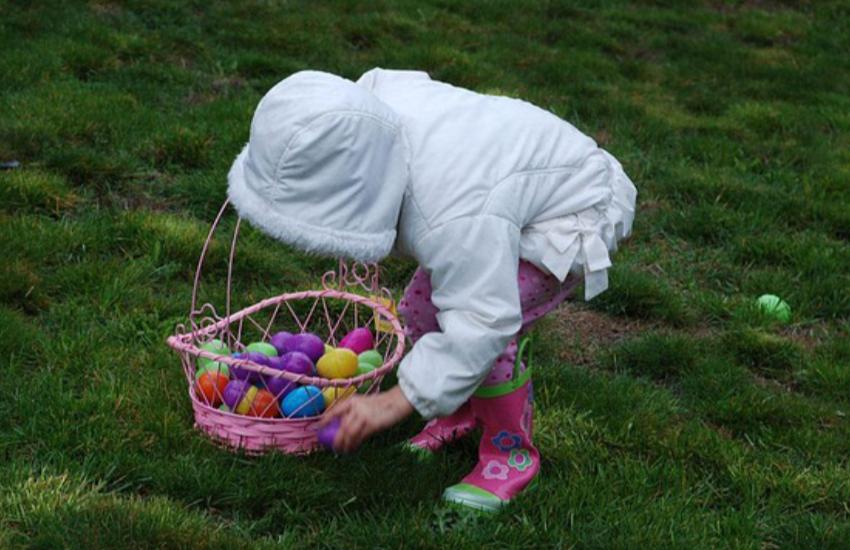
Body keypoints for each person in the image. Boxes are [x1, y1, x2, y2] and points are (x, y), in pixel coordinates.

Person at [227, 68, 637, 511]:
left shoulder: (452, 211)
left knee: (490, 335)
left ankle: (510, 455)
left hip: (574, 207)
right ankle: (461, 408)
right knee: (422, 311)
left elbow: (484, 319)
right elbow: (399, 80)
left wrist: (394, 403)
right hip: (500, 181)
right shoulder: (362, 115)